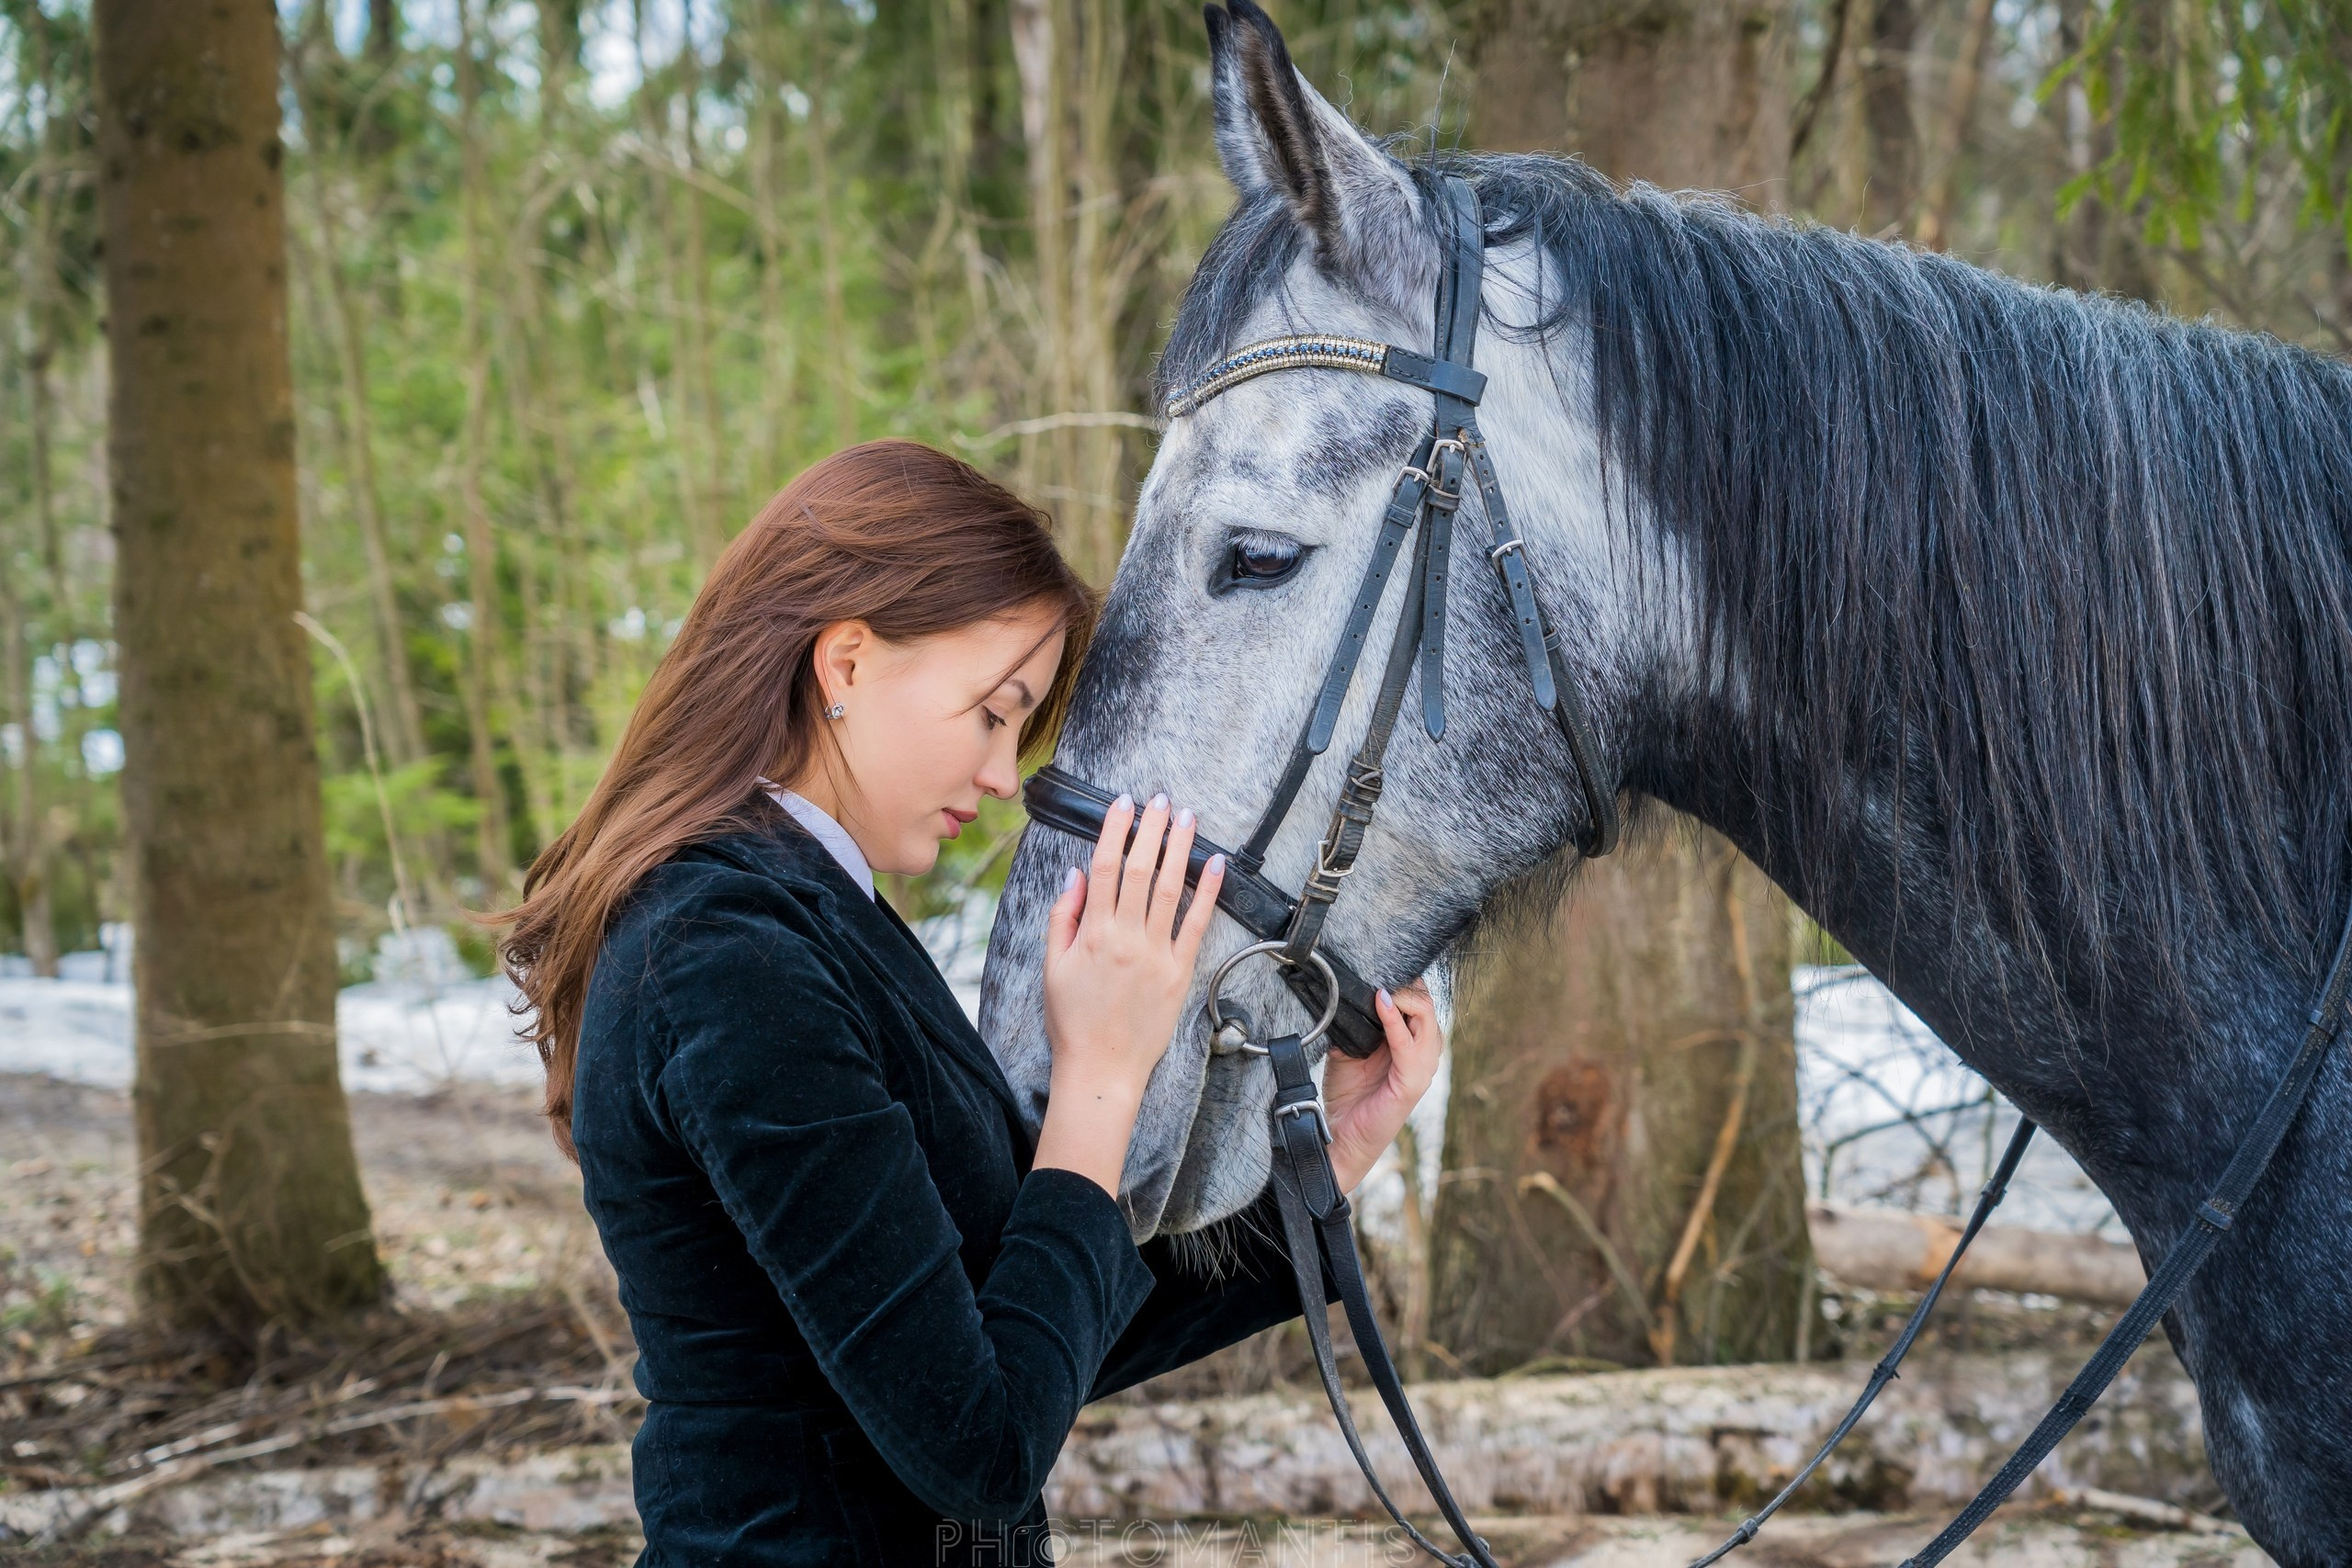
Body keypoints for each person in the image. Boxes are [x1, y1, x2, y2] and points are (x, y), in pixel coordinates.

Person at [497, 440, 1444, 1566]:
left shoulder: (807, 917)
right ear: (845, 664)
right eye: (994, 713)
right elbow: (981, 1452)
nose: (1005, 777)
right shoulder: (723, 951)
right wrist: (1102, 1067)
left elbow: (1018, 1346)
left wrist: (1324, 1159)